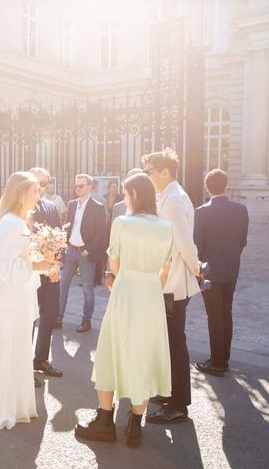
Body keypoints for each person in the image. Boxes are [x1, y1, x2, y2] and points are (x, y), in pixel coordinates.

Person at [75, 173, 174, 448]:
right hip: (151, 295)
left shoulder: (122, 223)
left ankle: (105, 421)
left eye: (127, 195)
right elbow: (165, 272)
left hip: (126, 289)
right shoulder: (167, 227)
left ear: (134, 196)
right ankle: (135, 423)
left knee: (111, 352)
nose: (124, 200)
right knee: (143, 354)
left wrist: (120, 275)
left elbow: (114, 267)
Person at [0, 171, 58, 430]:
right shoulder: (13, 224)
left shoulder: (12, 220)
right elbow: (11, 268)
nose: (38, 196)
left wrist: (40, 262)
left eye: (39, 190)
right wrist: (40, 262)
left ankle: (5, 396)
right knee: (14, 345)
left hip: (10, 290)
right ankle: (11, 404)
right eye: (33, 191)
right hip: (11, 292)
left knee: (10, 343)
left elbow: (17, 259)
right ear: (20, 195)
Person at [142, 148, 201, 424]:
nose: (148, 176)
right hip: (166, 280)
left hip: (175, 282)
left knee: (175, 342)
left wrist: (197, 270)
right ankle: (168, 392)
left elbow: (185, 243)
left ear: (165, 172)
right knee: (166, 341)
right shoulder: (166, 196)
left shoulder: (174, 199)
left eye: (150, 171)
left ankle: (178, 404)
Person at [194, 169, 249, 377]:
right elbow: (243, 241)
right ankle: (223, 358)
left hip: (209, 272)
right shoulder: (241, 209)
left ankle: (217, 362)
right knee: (227, 314)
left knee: (214, 317)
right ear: (226, 185)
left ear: (207, 187)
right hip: (232, 269)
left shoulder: (202, 211)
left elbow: (197, 246)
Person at [56, 174, 106, 333]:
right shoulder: (71, 204)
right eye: (76, 186)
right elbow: (69, 225)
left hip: (85, 254)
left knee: (87, 289)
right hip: (70, 250)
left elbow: (101, 233)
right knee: (62, 286)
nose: (77, 189)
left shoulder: (97, 207)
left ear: (89, 186)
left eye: (81, 186)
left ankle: (86, 320)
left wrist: (88, 250)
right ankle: (58, 318)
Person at [29, 167, 63, 387]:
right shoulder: (22, 208)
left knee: (49, 316)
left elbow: (60, 237)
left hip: (51, 273)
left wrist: (57, 264)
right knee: (29, 319)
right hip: (31, 273)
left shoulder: (51, 207)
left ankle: (41, 359)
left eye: (44, 183)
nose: (41, 188)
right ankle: (22, 367)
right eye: (37, 183)